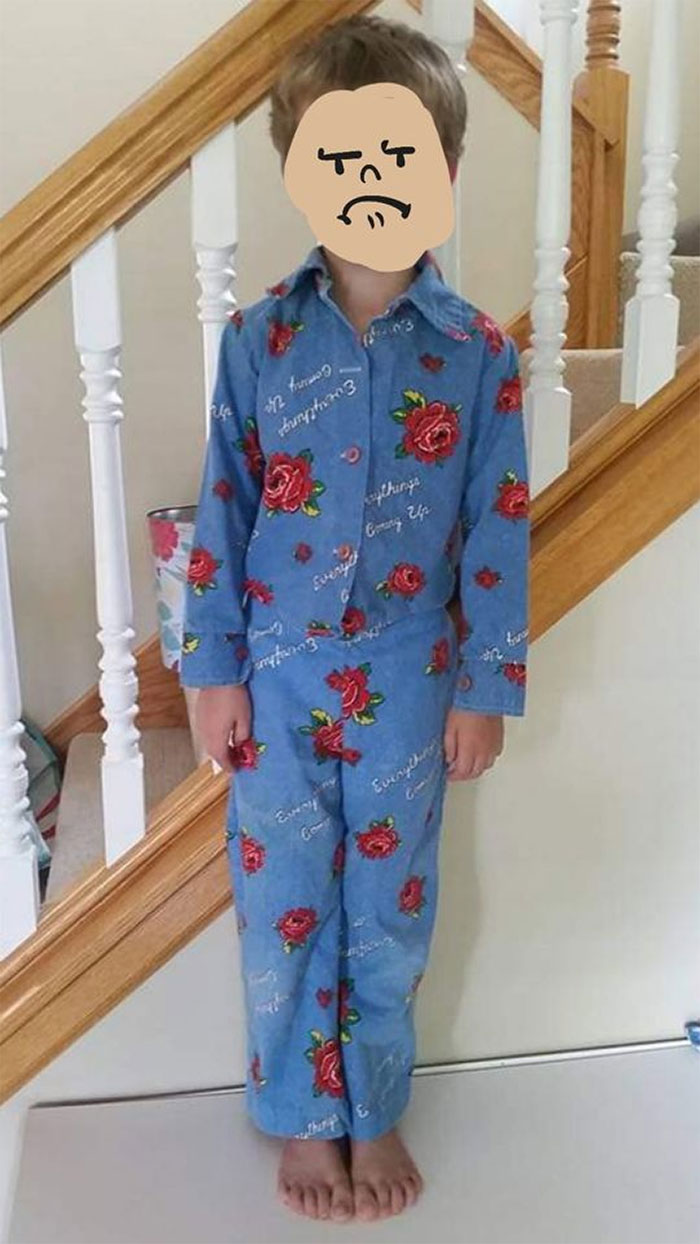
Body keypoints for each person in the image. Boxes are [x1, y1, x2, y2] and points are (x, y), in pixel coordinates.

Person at [179, 13, 529, 1225]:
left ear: (442, 165)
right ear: (298, 166)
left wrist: (487, 684)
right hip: (273, 682)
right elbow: (223, 508)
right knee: (282, 898)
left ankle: (371, 1098)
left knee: (389, 904)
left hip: (412, 676)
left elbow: (495, 524)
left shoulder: (478, 353)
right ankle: (299, 1115)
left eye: (398, 153)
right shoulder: (257, 341)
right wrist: (209, 668)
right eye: (341, 155)